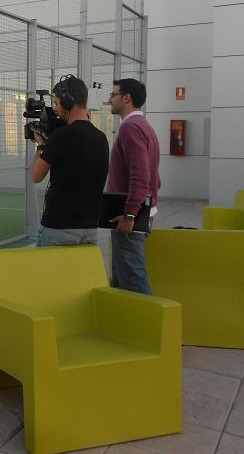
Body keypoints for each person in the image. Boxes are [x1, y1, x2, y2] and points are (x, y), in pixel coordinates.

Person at [30, 75, 109, 246]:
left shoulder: (61, 136)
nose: (56, 110)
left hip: (59, 228)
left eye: (57, 103)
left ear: (67, 102)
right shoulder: (101, 138)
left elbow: (36, 176)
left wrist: (41, 145)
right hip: (89, 229)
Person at [106, 78, 161, 295]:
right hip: (138, 214)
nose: (109, 100)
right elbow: (154, 178)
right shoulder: (144, 126)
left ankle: (149, 326)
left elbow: (141, 175)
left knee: (133, 281)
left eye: (113, 94)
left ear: (127, 98)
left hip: (131, 219)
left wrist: (129, 215)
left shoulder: (130, 128)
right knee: (122, 281)